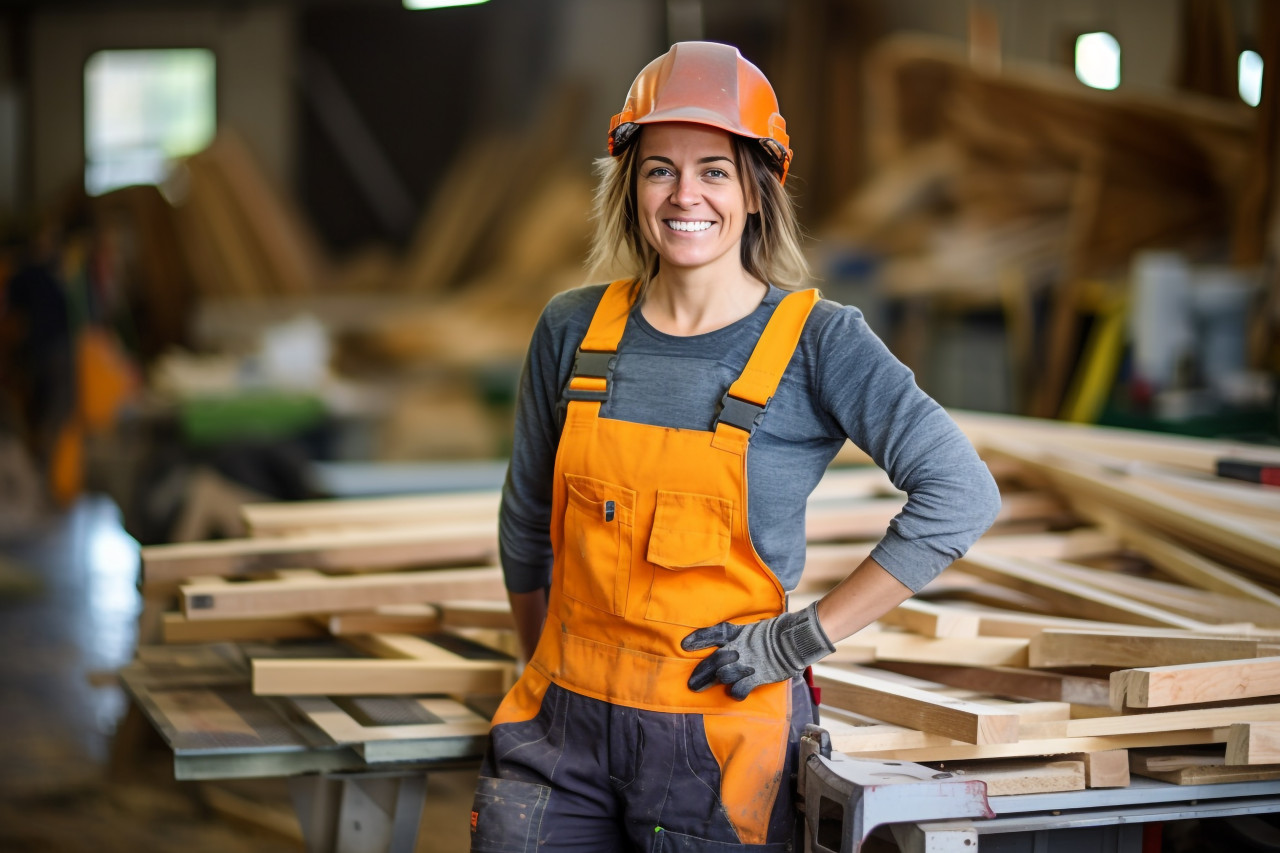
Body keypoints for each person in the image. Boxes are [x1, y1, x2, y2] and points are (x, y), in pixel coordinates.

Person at [470, 41, 1002, 853]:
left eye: (714, 170)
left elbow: (961, 493)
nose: (685, 194)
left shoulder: (820, 343)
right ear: (630, 186)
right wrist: (544, 666)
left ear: (757, 190)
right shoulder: (571, 327)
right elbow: (524, 524)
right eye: (660, 170)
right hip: (560, 732)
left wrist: (802, 638)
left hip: (717, 743)